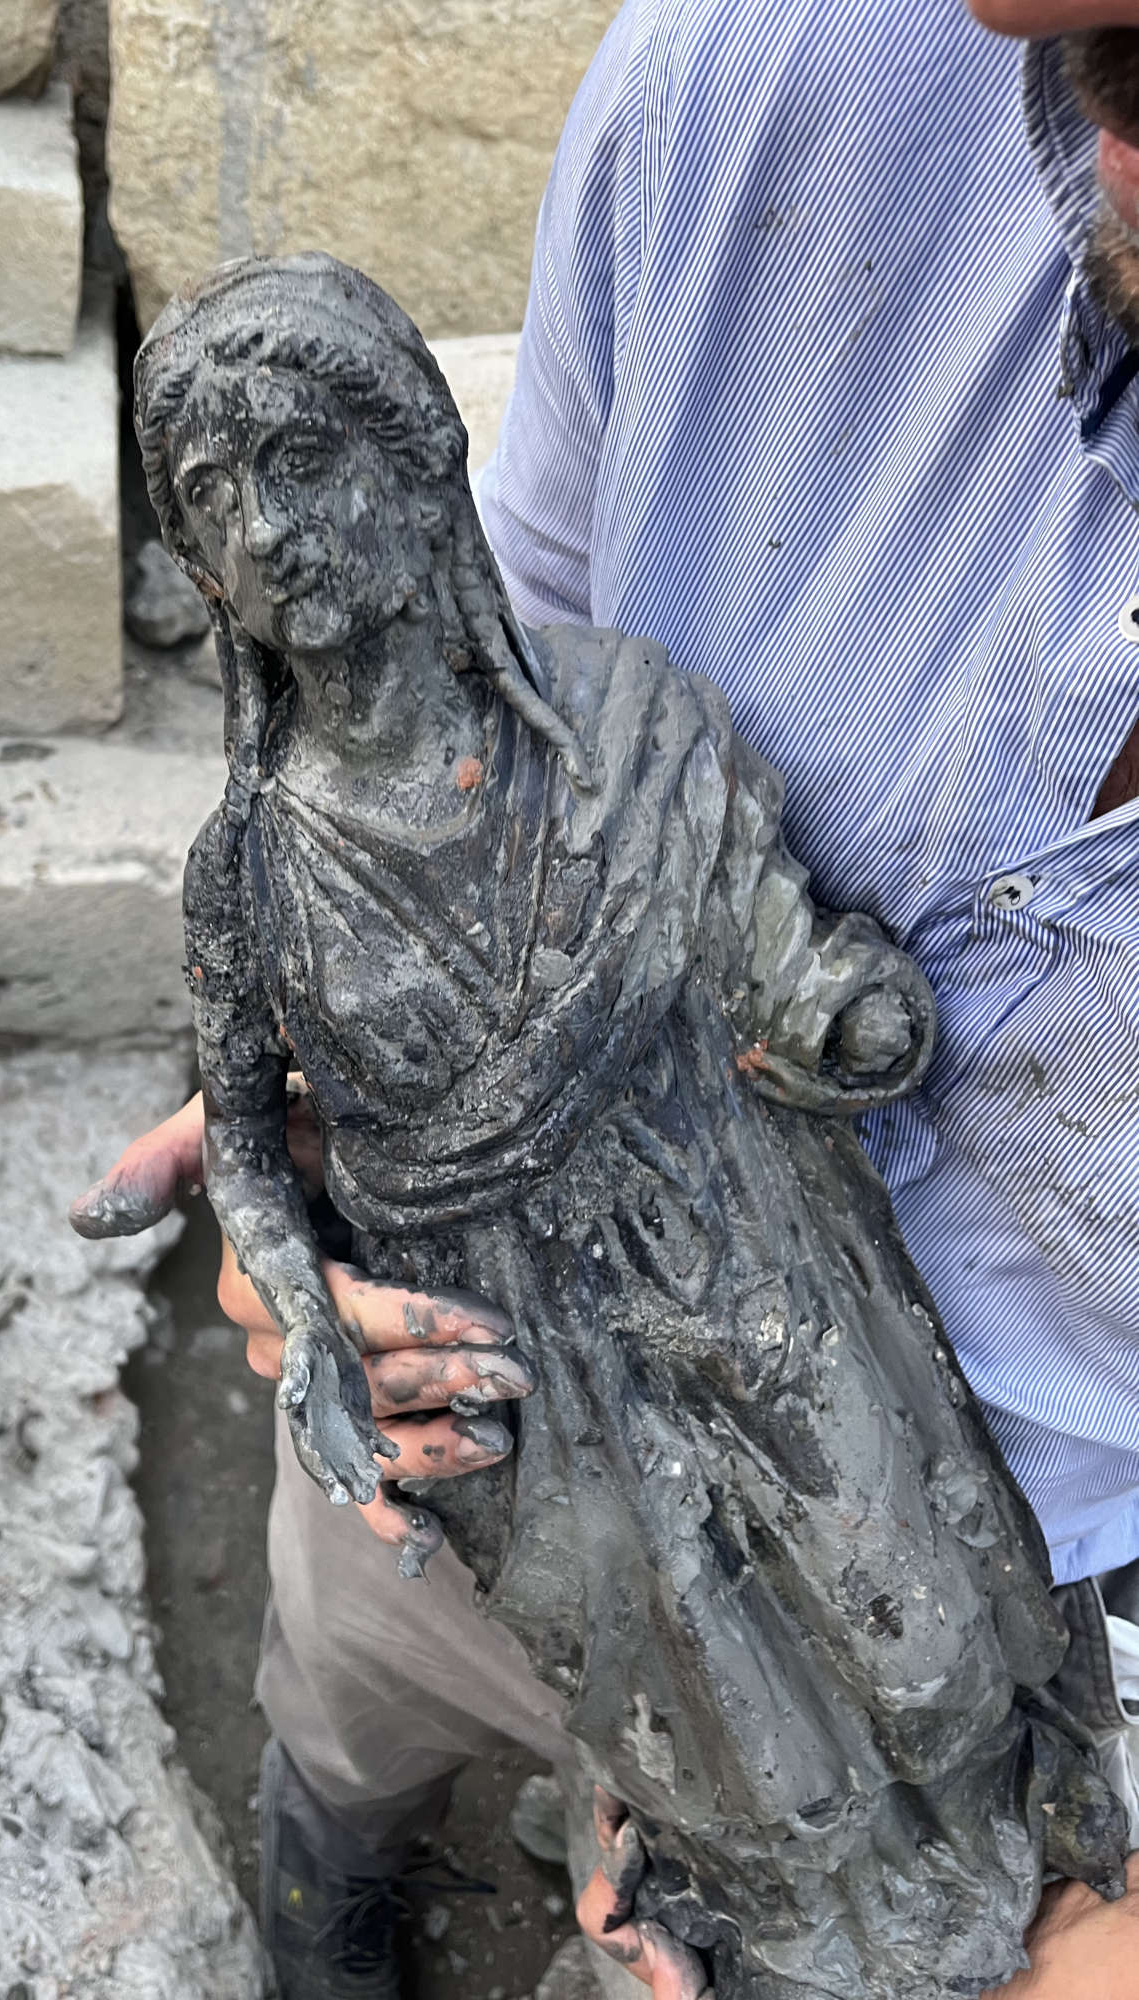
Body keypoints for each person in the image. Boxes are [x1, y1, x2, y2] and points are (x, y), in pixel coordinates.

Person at [71, 0, 1139, 1992]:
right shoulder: (750, 81)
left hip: (827, 1361)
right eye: (221, 506)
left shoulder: (642, 734)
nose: (276, 541)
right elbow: (253, 1127)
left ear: (401, 454)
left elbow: (770, 939)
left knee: (897, 1687)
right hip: (490, 1407)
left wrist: (832, 1013)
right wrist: (297, 1276)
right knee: (371, 1692)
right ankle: (331, 1899)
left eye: (309, 468)